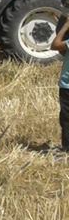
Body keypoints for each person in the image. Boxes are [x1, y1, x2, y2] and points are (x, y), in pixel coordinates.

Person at [50, 18, 69, 151]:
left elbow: (55, 45)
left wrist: (66, 26)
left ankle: (67, 148)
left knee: (66, 119)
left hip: (67, 85)